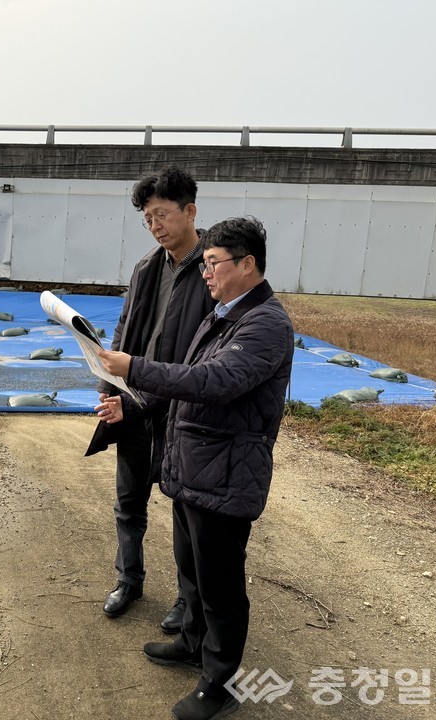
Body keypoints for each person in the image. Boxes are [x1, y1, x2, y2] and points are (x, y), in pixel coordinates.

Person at [97, 216, 294, 720]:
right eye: (204, 264)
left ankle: (220, 681)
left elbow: (214, 381)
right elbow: (182, 385)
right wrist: (133, 405)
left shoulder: (266, 323)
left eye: (213, 263)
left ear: (247, 264)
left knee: (221, 585)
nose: (205, 273)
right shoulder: (223, 313)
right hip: (194, 468)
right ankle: (191, 643)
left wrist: (133, 367)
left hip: (227, 473)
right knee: (193, 571)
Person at [87, 167, 214, 632]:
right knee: (128, 501)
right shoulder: (146, 268)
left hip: (183, 410)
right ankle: (129, 579)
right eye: (148, 219)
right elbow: (123, 333)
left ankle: (187, 597)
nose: (156, 225)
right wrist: (109, 388)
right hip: (134, 403)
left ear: (190, 211)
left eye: (162, 214)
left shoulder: (210, 271)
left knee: (185, 511)